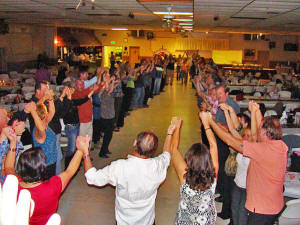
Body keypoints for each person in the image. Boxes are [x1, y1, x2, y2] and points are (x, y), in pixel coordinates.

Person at [204, 101, 288, 225]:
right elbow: (260, 127)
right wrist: (256, 111)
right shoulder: (280, 145)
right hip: (274, 205)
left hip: (261, 209)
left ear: (265, 132)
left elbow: (229, 140)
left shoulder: (261, 149)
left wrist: (209, 122)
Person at [82, 118, 178, 224]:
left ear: (135, 143)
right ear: (153, 150)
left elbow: (92, 177)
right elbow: (167, 154)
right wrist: (170, 133)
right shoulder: (157, 166)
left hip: (124, 221)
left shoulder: (120, 167)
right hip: (147, 221)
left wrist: (85, 152)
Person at [4, 134, 89, 225]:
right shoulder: (52, 187)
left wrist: (13, 143)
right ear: (43, 168)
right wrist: (81, 149)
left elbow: (8, 167)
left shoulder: (13, 185)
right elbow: (70, 170)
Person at [171, 115, 218, 225]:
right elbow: (213, 145)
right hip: (206, 221)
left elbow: (173, 149)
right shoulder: (212, 177)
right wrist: (206, 123)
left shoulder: (185, 176)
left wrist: (176, 127)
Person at [214, 84, 240, 221]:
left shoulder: (232, 107)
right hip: (222, 142)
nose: (218, 96)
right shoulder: (221, 104)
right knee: (223, 173)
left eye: (220, 93)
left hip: (228, 146)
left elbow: (234, 129)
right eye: (217, 93)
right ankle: (223, 194)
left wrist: (217, 125)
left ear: (227, 93)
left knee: (227, 174)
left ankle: (226, 210)